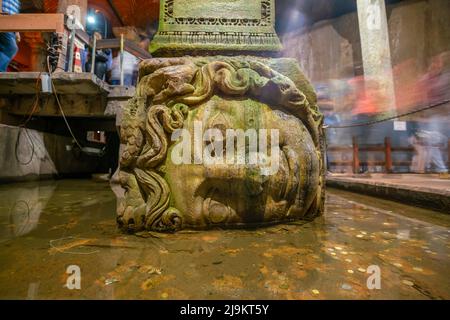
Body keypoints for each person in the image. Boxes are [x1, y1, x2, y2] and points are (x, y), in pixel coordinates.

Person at [0, 0, 21, 72]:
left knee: (6, 48)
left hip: (9, 25)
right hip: (3, 21)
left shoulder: (17, 1)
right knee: (11, 48)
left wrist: (17, 31)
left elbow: (15, 15)